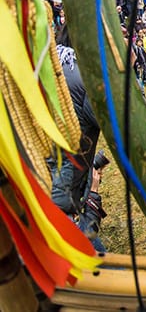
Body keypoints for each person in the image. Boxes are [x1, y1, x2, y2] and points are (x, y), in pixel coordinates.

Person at [49, 25, 107, 252]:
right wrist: (127, 73)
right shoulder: (85, 78)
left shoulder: (45, 68)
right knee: (102, 272)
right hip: (59, 198)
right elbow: (122, 122)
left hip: (35, 185)